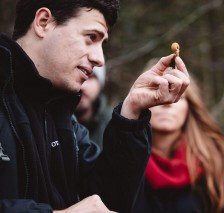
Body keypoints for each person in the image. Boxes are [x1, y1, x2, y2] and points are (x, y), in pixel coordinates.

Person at [0, 0, 190, 212]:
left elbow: (109, 200)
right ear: (44, 22)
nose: (99, 59)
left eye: (102, 44)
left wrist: (132, 112)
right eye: (91, 37)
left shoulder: (61, 114)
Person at [133, 75, 224, 213]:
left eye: (178, 96)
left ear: (190, 107)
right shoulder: (123, 160)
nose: (168, 103)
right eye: (158, 93)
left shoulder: (219, 161)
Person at [75, 65, 112, 149]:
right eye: (77, 77)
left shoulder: (115, 125)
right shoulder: (50, 122)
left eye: (90, 76)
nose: (82, 86)